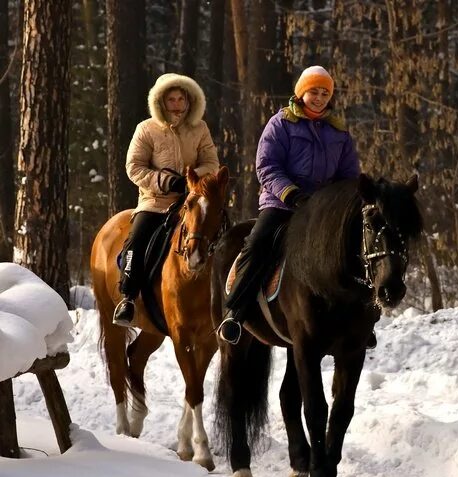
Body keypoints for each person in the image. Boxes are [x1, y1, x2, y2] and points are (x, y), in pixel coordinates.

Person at [217, 65, 360, 344]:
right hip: (282, 204)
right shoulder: (281, 123)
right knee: (258, 244)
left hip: (322, 211)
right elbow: (267, 166)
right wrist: (291, 194)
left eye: (324, 93)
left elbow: (349, 177)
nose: (319, 98)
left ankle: (361, 319)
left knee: (356, 245)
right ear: (301, 93)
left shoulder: (339, 132)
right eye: (313, 92)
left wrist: (336, 205)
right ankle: (235, 312)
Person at [113, 73, 220, 327]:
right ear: (161, 102)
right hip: (155, 202)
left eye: (181, 99)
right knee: (137, 241)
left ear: (189, 101)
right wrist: (164, 181)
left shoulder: (200, 128)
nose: (177, 104)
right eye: (171, 99)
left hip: (191, 200)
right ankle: (127, 297)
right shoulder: (146, 129)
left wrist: (193, 180)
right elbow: (134, 167)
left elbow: (212, 163)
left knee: (220, 232)